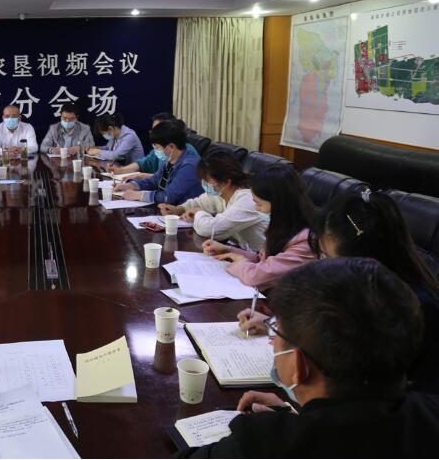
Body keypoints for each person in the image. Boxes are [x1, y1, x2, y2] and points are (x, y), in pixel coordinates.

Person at [177, 258, 439, 458]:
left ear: (298, 365)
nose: (272, 340)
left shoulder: (262, 443)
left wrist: (291, 427)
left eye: (276, 331)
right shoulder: (429, 413)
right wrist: (301, 415)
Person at [239, 189, 439, 393]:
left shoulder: (413, 310)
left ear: (363, 262)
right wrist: (275, 325)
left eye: (327, 257)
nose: (322, 265)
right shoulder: (364, 292)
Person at [203, 165, 315, 289]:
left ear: (278, 204)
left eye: (259, 204)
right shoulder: (281, 226)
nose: (256, 209)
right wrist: (228, 250)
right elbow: (263, 260)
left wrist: (240, 262)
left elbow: (255, 276)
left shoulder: (305, 241)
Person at [159, 150, 267, 252]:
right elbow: (199, 202)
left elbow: (210, 230)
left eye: (208, 181)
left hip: (263, 257)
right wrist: (179, 209)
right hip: (241, 250)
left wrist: (198, 212)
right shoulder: (221, 192)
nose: (204, 184)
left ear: (226, 182)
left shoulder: (248, 199)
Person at [113, 120, 202, 204]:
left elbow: (168, 196)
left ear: (171, 147)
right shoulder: (170, 159)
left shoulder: (189, 166)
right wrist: (131, 185)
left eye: (157, 147)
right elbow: (154, 180)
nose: (156, 150)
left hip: (182, 212)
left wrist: (139, 195)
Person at [107, 112, 199, 180]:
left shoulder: (185, 154)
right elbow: (144, 163)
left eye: (158, 130)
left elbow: (170, 185)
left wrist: (142, 180)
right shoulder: (161, 150)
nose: (154, 134)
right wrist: (120, 171)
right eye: (153, 130)